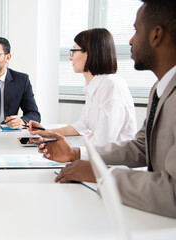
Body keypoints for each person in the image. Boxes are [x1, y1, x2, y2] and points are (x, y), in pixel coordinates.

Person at [40, 0, 176, 219]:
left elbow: (173, 192)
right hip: (149, 206)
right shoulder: (160, 88)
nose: (131, 40)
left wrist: (102, 174)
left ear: (156, 35)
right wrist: (77, 154)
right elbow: (142, 147)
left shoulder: (112, 84)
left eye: (136, 30)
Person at [29, 28, 137, 160]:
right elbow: (83, 125)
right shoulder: (93, 85)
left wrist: (72, 152)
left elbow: (104, 140)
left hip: (114, 164)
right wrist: (45, 132)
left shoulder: (111, 85)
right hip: (99, 158)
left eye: (74, 50)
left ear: (90, 53)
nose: (70, 57)